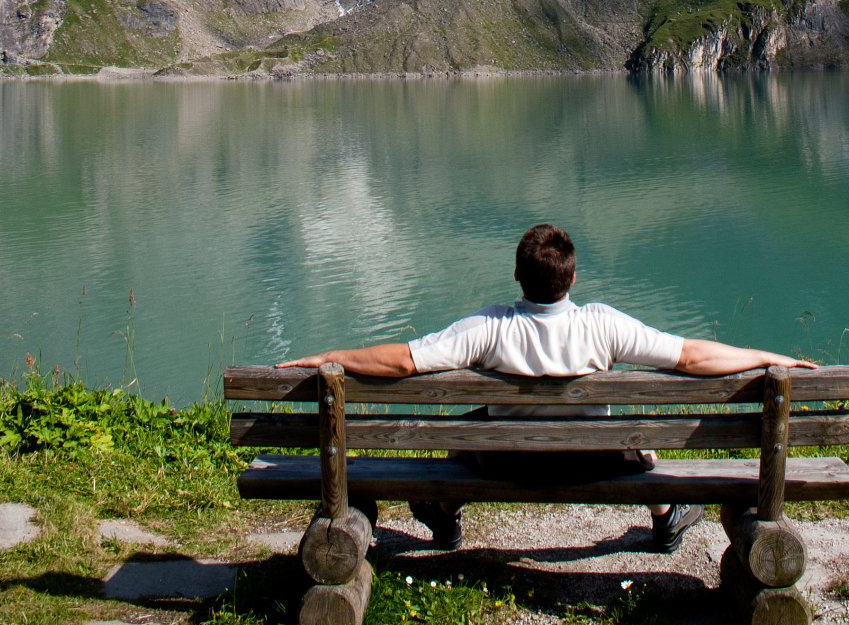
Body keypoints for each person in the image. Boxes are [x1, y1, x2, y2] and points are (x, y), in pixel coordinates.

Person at [280, 223, 814, 553]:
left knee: (467, 435)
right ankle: (665, 517)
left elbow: (402, 361)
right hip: (595, 460)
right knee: (633, 439)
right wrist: (770, 358)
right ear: (573, 279)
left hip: (505, 462)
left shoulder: (489, 328)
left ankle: (442, 514)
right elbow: (693, 356)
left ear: (517, 275)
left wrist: (332, 356)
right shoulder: (603, 324)